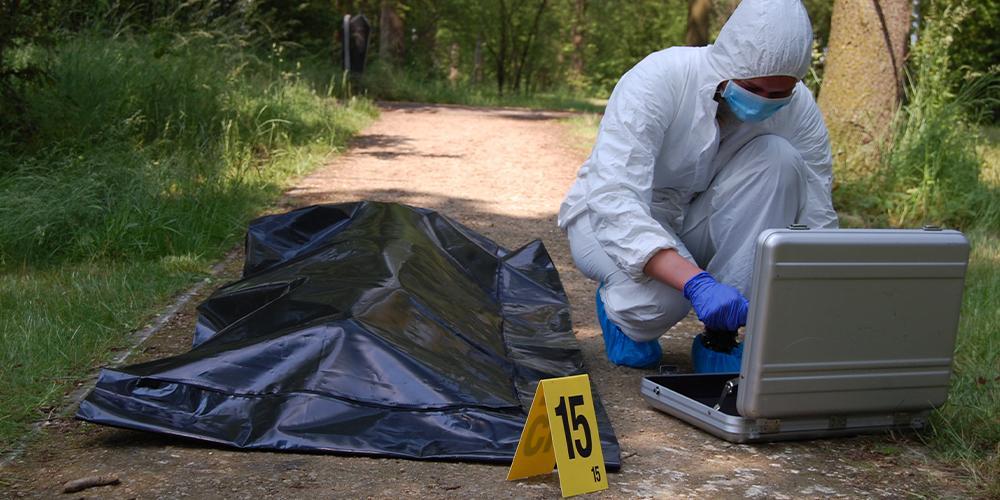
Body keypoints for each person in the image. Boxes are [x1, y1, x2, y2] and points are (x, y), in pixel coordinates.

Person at [557, 0, 837, 372]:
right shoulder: (660, 77)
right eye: (754, 87)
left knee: (781, 160)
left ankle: (720, 338)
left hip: (694, 215)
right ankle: (621, 316)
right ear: (728, 63)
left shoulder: (798, 107)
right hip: (608, 219)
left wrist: (822, 301)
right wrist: (696, 283)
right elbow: (614, 197)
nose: (765, 102)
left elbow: (815, 213)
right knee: (665, 300)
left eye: (779, 94)